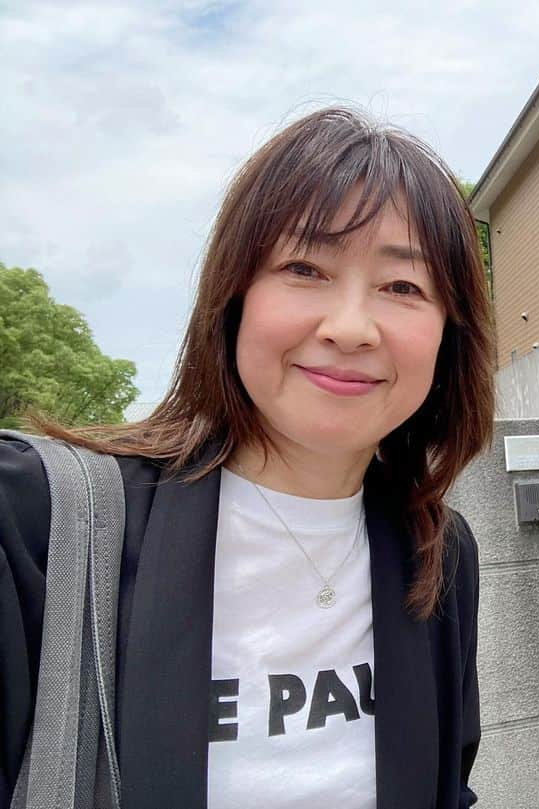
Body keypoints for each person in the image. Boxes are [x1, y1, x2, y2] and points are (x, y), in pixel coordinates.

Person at [0, 107, 494, 808]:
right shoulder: (34, 523)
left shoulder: (438, 554)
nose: (350, 327)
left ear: (449, 334)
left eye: (402, 287)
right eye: (304, 267)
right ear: (235, 296)